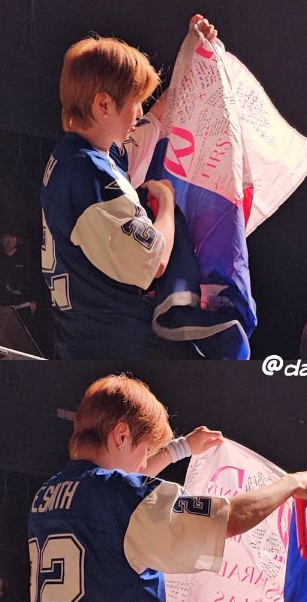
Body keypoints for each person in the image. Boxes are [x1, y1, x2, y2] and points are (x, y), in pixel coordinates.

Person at [27, 374, 307, 602]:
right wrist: (290, 483)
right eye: (145, 452)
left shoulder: (45, 497)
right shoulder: (124, 498)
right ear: (121, 435)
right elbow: (229, 518)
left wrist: (179, 449)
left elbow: (120, 489)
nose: (144, 466)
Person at [40, 16, 216, 359]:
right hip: (112, 346)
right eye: (136, 101)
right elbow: (154, 262)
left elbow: (158, 118)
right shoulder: (92, 175)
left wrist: (191, 53)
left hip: (82, 338)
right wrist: (166, 202)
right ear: (103, 105)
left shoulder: (77, 156)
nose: (139, 112)